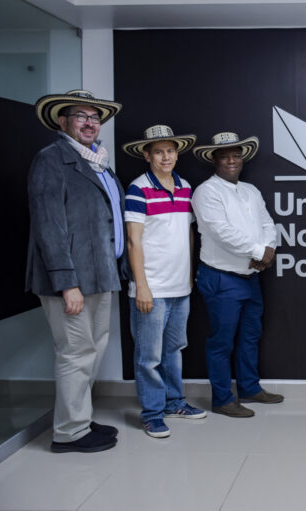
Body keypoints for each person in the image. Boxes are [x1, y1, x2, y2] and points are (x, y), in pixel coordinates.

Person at [27, 90, 124, 453]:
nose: (90, 123)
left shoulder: (98, 161)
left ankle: (78, 419)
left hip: (100, 275)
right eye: (81, 116)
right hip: (71, 281)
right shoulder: (51, 159)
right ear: (62, 122)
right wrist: (66, 283)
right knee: (75, 352)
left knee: (92, 350)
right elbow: (49, 226)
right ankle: (68, 433)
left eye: (95, 117)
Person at [122, 125, 207, 438]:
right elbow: (133, 241)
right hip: (151, 289)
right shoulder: (138, 189)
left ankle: (175, 402)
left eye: (170, 150)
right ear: (147, 156)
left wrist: (187, 274)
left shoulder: (185, 186)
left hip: (179, 288)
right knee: (149, 357)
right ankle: (153, 413)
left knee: (174, 349)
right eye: (158, 151)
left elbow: (187, 232)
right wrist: (142, 285)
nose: (166, 156)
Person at [191, 132, 283, 418]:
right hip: (221, 277)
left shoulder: (251, 190)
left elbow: (268, 223)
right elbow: (222, 232)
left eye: (236, 155)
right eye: (225, 156)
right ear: (214, 160)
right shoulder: (207, 192)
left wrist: (267, 249)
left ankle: (249, 388)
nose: (232, 160)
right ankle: (221, 398)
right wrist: (259, 251)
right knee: (222, 341)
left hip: (250, 277)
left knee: (250, 335)